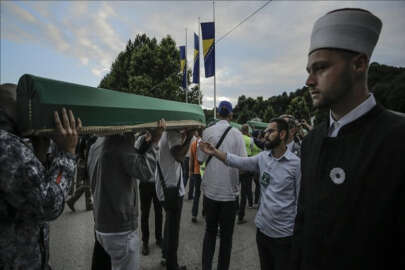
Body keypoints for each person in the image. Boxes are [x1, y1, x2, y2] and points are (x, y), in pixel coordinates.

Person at [290, 8, 405, 270]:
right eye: (309, 70)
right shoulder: (311, 142)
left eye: (320, 68)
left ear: (358, 64)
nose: (309, 80)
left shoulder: (397, 139)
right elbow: (303, 225)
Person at [200, 118, 301, 270]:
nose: (265, 135)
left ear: (282, 134)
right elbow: (237, 161)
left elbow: (301, 201)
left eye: (270, 131)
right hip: (262, 231)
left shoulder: (296, 164)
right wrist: (215, 152)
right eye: (266, 131)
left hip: (284, 236)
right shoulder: (263, 158)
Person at [0, 83, 81, 269]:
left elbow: (29, 189)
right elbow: (49, 204)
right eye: (19, 105)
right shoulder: (8, 146)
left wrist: (41, 149)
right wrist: (67, 152)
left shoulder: (14, 142)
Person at [93, 120, 166, 270]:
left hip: (101, 224)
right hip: (120, 228)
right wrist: (155, 141)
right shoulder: (120, 145)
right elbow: (145, 171)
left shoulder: (97, 144)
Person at [197, 100, 247, 270]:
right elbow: (243, 165)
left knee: (209, 233)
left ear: (218, 113)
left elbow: (200, 159)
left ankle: (206, 267)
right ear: (231, 115)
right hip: (229, 195)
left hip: (210, 192)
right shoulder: (237, 134)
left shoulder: (207, 132)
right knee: (226, 239)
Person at [156, 129, 194, 270]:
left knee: (169, 226)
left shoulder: (166, 133)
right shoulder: (172, 133)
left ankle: (166, 255)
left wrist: (184, 137)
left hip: (165, 188)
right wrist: (189, 137)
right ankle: (172, 265)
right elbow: (179, 156)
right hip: (171, 190)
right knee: (173, 230)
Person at [135, 132, 163, 256]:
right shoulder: (141, 139)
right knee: (145, 213)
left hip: (158, 182)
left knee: (159, 212)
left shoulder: (162, 138)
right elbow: (137, 153)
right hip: (145, 181)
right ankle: (145, 242)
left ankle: (158, 238)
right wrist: (148, 140)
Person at [66, 135, 93, 211]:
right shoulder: (88, 138)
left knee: (87, 184)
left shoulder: (87, 138)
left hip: (85, 162)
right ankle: (72, 200)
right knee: (87, 184)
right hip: (86, 162)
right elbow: (84, 152)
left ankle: (88, 204)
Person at [237, 124, 254, 224]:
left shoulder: (238, 138)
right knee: (244, 192)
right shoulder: (250, 140)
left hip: (237, 164)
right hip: (247, 166)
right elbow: (251, 151)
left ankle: (235, 209)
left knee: (234, 189)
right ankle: (240, 216)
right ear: (247, 130)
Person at [189, 129, 202, 222]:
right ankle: (205, 212)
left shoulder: (194, 144)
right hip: (206, 172)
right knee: (207, 194)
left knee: (197, 194)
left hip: (196, 171)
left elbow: (191, 159)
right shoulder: (207, 144)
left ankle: (194, 214)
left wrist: (190, 171)